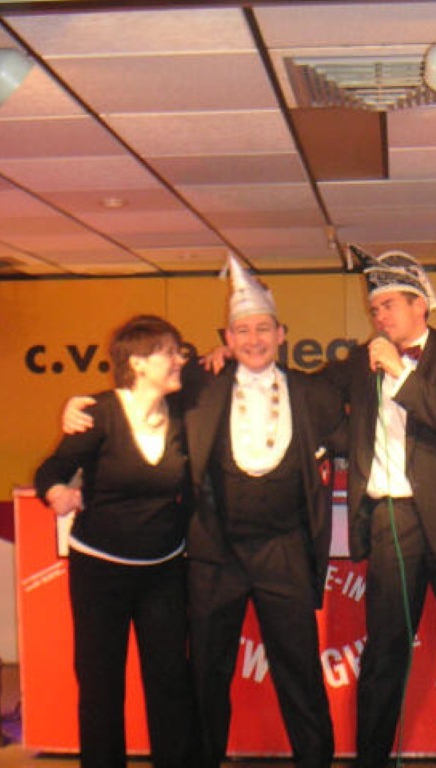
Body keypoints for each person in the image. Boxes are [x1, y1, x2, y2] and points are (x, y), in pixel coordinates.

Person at [63, 257, 342, 768]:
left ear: (281, 335)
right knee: (204, 676)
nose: (254, 340)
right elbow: (136, 391)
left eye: (263, 329)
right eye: (242, 331)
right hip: (215, 551)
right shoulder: (197, 385)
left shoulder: (314, 394)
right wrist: (80, 407)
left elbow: (357, 416)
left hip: (283, 549)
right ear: (227, 339)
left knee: (300, 672)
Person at [320, 245, 436, 768]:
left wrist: (401, 374)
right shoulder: (361, 361)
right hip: (391, 519)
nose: (380, 316)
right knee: (384, 653)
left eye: (389, 305)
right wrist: (230, 364)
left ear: (421, 305)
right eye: (375, 308)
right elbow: (308, 393)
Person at [35, 314, 198, 768]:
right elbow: (51, 470)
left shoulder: (183, 414)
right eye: (169, 352)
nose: (179, 360)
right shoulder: (99, 413)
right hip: (100, 571)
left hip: (164, 569)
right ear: (138, 362)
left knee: (170, 680)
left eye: (180, 351)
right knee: (101, 682)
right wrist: (58, 493)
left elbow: (220, 370)